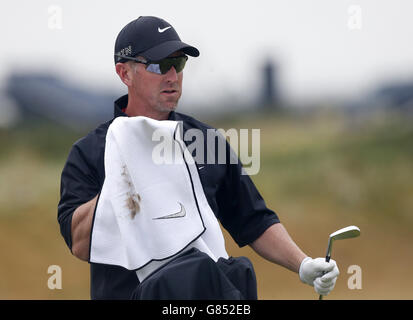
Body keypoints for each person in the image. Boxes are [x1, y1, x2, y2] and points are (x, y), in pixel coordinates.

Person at [57, 16, 339, 300]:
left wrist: (303, 264)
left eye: (178, 64)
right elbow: (80, 244)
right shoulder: (90, 152)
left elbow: (252, 218)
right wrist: (123, 180)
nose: (172, 77)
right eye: (159, 65)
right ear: (124, 73)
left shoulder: (206, 141)